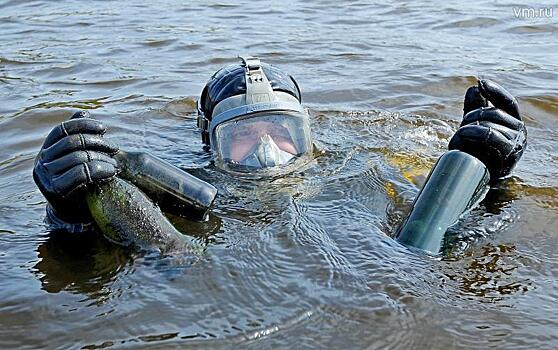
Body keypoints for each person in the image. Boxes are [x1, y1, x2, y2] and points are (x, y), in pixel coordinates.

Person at [33, 57, 527, 237]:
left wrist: (486, 176)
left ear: (309, 135)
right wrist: (70, 216)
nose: (266, 147)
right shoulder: (182, 185)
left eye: (281, 130)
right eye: (243, 135)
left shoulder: (362, 162)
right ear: (211, 146)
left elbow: (432, 220)